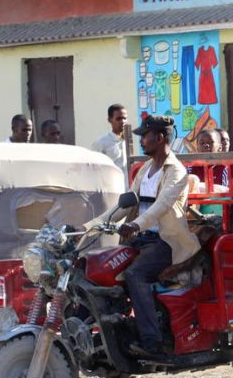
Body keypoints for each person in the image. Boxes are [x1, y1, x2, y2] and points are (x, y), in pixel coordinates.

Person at [84, 115, 200, 357]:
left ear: (160, 138)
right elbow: (126, 204)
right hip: (141, 238)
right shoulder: (145, 169)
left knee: (135, 275)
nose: (141, 141)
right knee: (101, 268)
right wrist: (91, 226)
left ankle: (152, 343)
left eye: (145, 136)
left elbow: (162, 206)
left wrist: (136, 225)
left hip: (166, 241)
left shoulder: (176, 171)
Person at [90, 104, 128, 174]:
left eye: (124, 118)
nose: (123, 121)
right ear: (110, 120)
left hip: (127, 181)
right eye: (118, 119)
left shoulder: (128, 141)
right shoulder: (101, 142)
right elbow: (93, 168)